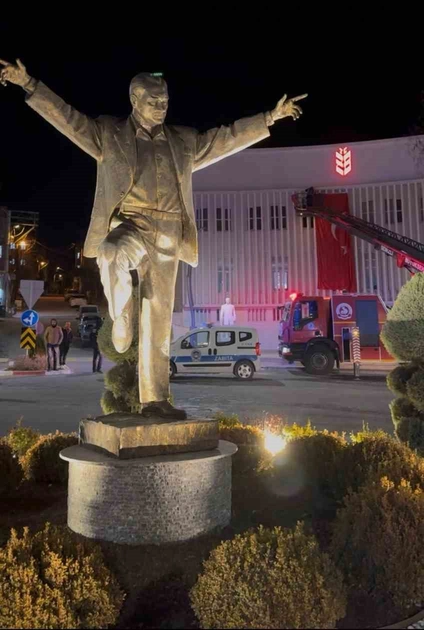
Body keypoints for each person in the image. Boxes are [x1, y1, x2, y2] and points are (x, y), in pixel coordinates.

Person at [0, 58, 306, 420]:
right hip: (131, 224)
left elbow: (224, 138)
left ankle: (156, 399)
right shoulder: (109, 134)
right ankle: (121, 313)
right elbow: (68, 118)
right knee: (110, 252)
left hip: (169, 233)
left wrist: (269, 117)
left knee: (158, 320)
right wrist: (29, 84)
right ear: (134, 100)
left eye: (165, 101)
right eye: (153, 101)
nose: (162, 106)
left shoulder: (183, 142)